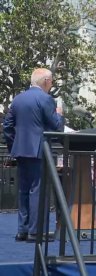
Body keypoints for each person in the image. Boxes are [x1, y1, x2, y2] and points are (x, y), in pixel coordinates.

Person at [3, 68, 65, 242]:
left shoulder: (18, 99)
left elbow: (7, 126)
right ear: (45, 80)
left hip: (21, 150)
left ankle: (22, 230)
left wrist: (14, 145)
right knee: (38, 190)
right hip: (39, 150)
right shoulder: (46, 99)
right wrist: (60, 115)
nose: (51, 84)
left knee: (23, 190)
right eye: (51, 81)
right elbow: (56, 125)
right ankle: (35, 232)